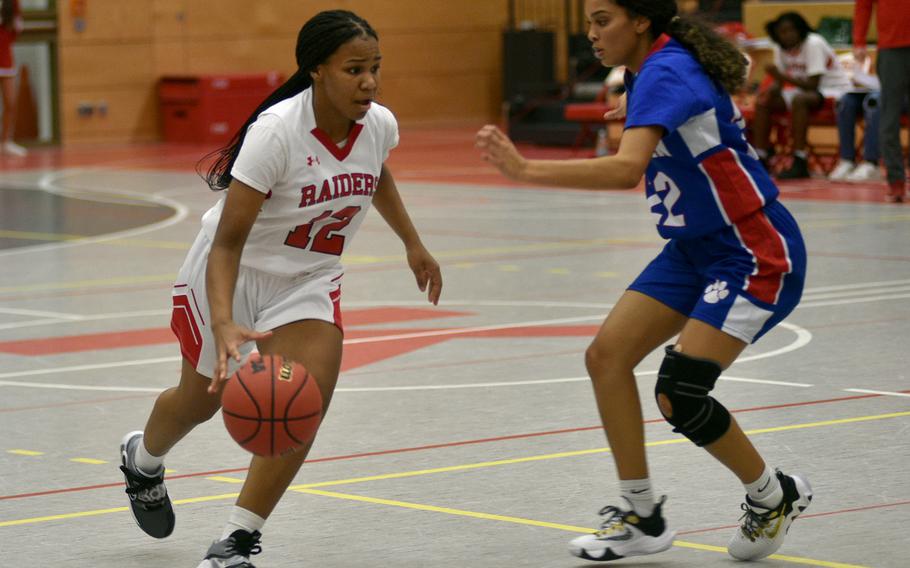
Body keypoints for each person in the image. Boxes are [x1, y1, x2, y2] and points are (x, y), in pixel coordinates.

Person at [476, 0, 810, 562]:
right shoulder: (651, 68)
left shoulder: (663, 69)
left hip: (751, 250)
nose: (590, 34)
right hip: (693, 248)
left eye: (601, 19)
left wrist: (524, 168)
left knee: (679, 391)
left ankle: (773, 495)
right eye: (587, 21)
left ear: (640, 21)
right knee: (606, 357)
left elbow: (626, 169)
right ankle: (643, 516)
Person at [118, 10, 442, 568]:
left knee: (299, 403)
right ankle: (143, 461)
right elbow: (227, 242)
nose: (369, 82)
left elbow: (377, 172)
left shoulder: (378, 124)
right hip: (230, 275)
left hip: (308, 280)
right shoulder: (276, 133)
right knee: (200, 403)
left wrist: (412, 241)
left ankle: (235, 541)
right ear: (317, 70)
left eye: (375, 68)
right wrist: (222, 321)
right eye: (355, 69)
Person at [750, 12, 851, 179]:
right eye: (782, 32)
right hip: (804, 91)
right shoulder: (780, 48)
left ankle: (800, 159)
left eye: (791, 30)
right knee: (764, 101)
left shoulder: (813, 43)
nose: (787, 35)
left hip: (834, 90)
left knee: (800, 100)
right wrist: (772, 89)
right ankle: (762, 156)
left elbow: (813, 84)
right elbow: (781, 82)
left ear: (800, 30)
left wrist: (780, 77)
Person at [853, 0, 910, 202]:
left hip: (892, 47)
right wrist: (859, 40)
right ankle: (896, 182)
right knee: (889, 118)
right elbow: (863, 5)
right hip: (891, 48)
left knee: (889, 117)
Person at [828, 54, 882, 182]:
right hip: (870, 88)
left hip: (896, 93)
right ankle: (846, 160)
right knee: (845, 102)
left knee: (874, 101)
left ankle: (871, 162)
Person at [0, 0, 27, 156]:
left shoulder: (13, 3)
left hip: (5, 59)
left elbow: (15, 30)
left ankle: (5, 142)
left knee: (11, 101)